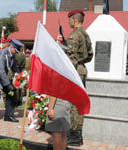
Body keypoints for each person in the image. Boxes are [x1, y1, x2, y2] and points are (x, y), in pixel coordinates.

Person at [65, 9, 93, 146]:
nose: (68, 21)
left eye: (69, 19)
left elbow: (71, 58)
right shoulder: (85, 34)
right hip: (82, 69)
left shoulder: (74, 35)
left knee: (74, 104)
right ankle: (78, 136)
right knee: (78, 102)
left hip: (74, 71)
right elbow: (90, 55)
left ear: (74, 20)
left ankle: (74, 136)